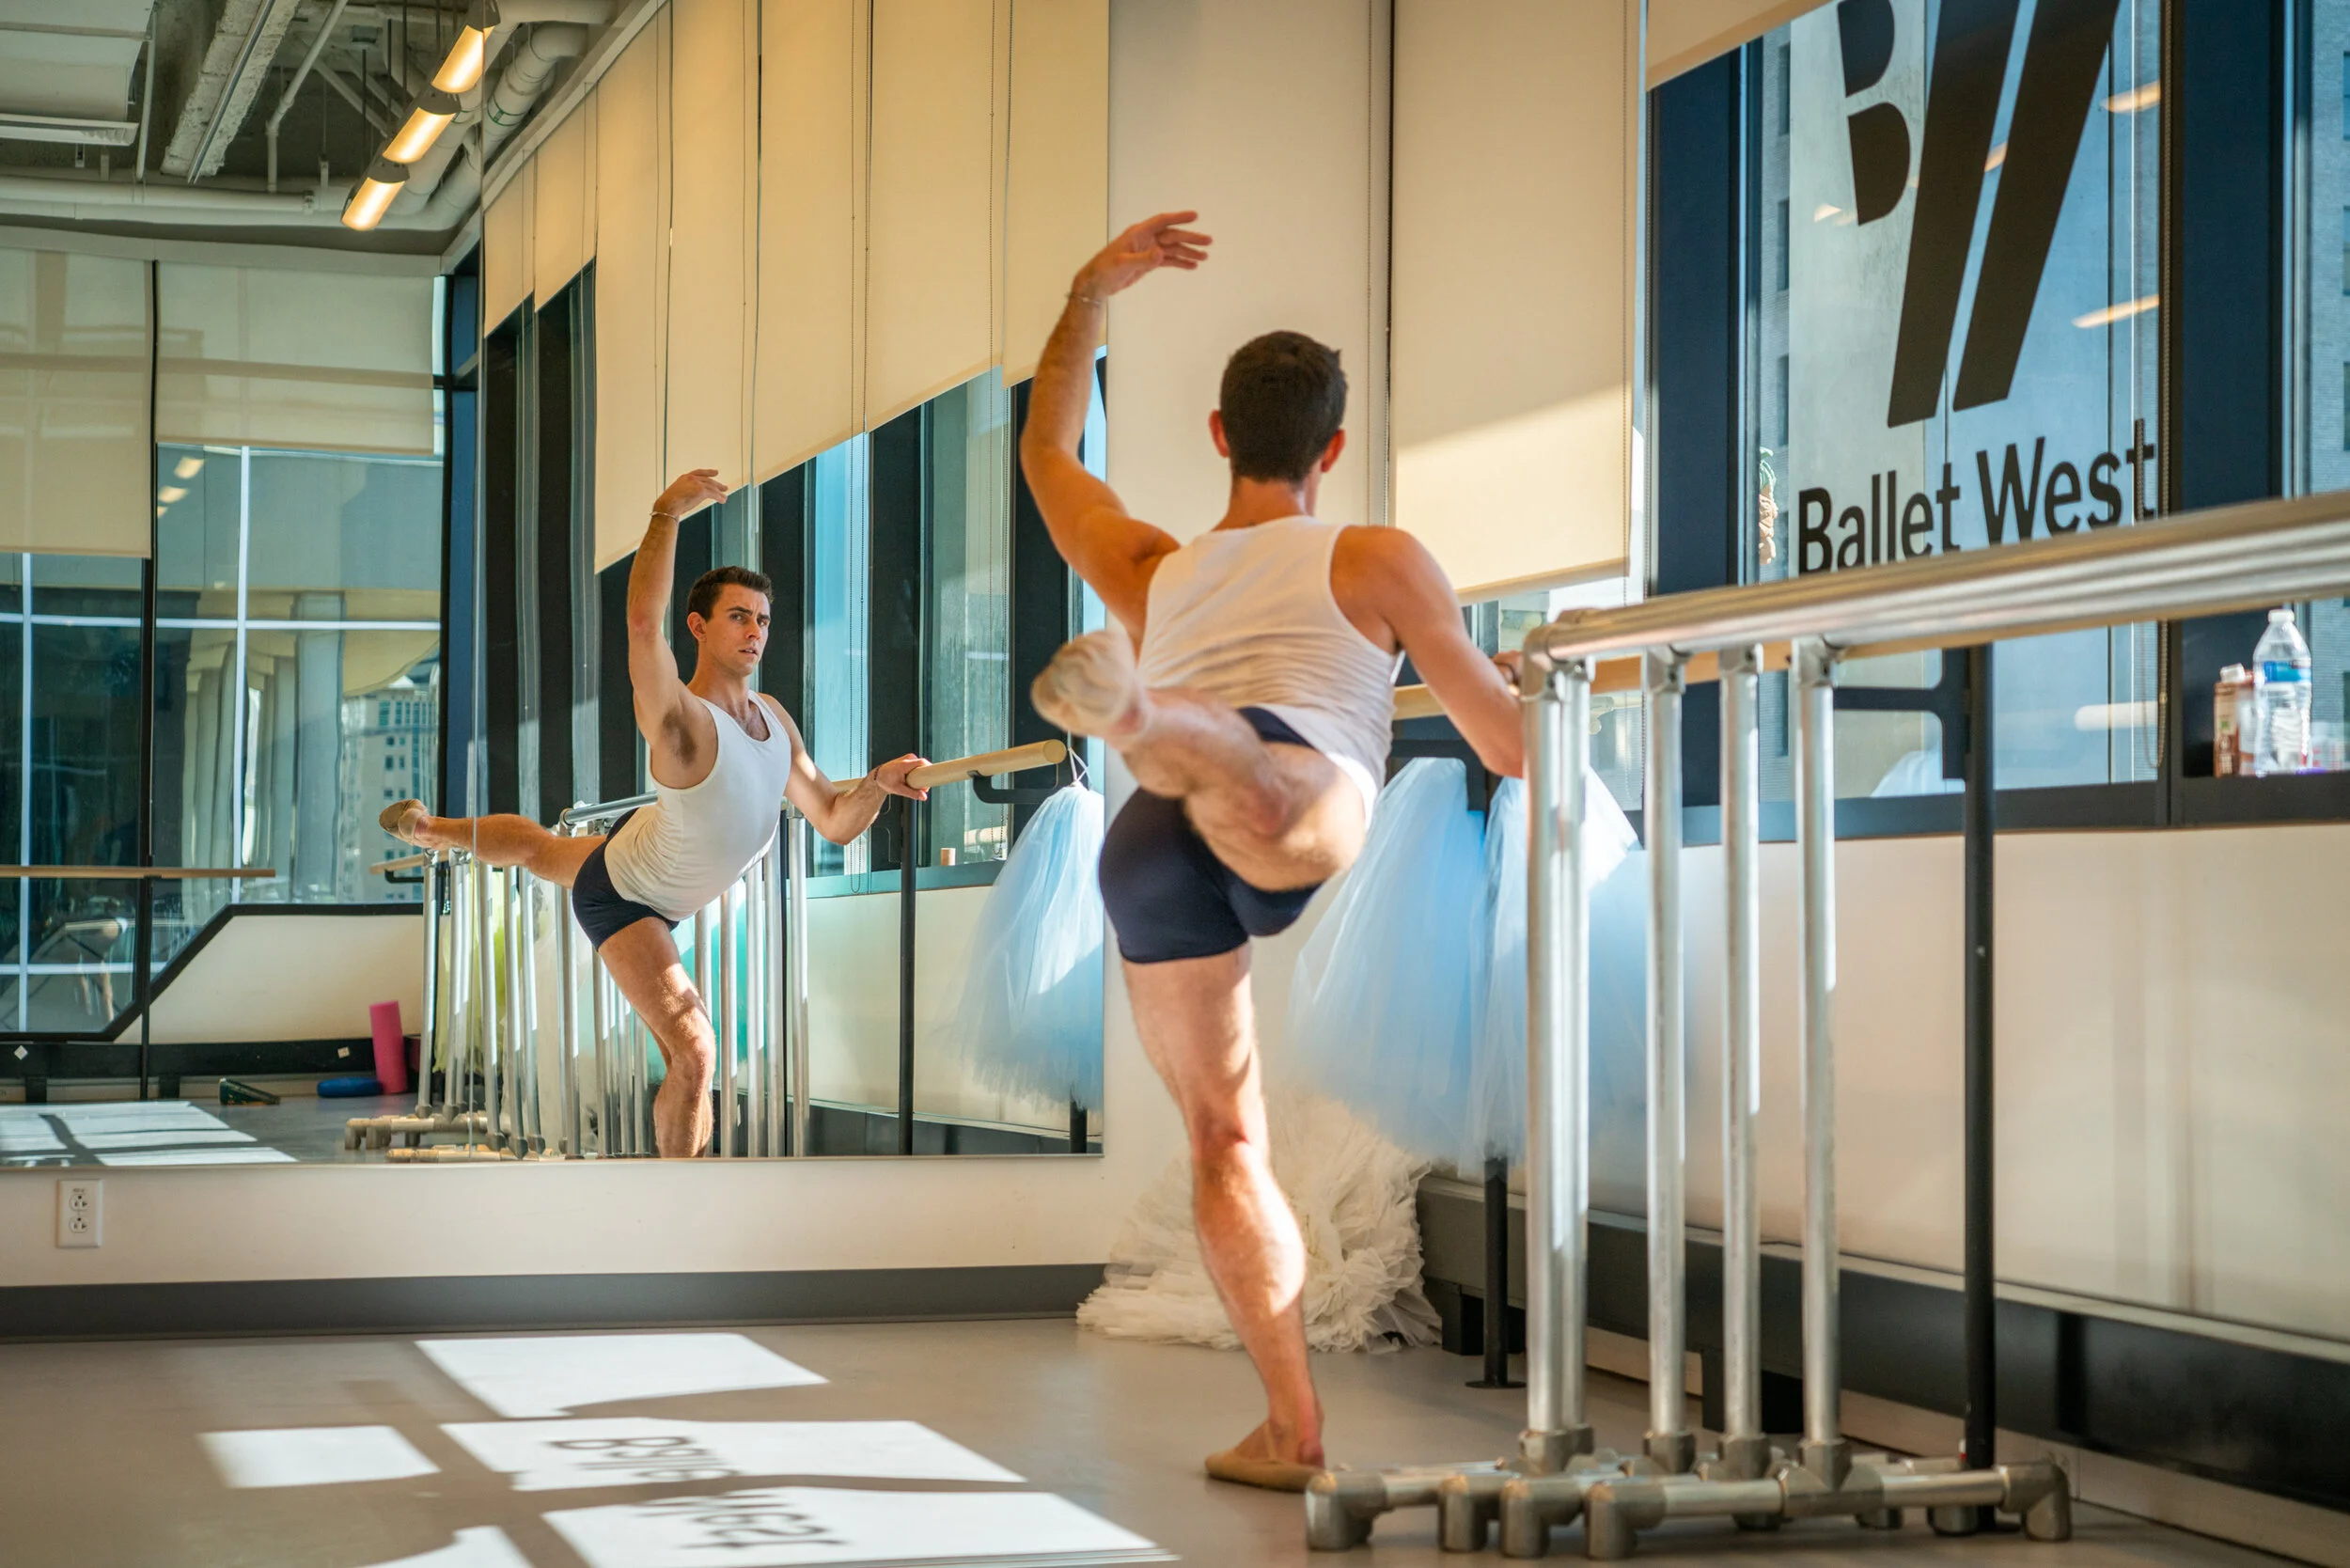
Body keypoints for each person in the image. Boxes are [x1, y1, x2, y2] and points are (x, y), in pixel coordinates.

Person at [1020, 212, 1527, 1488]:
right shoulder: (1374, 557)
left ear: (1219, 436)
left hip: (1146, 845)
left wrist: (1089, 295)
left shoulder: (1155, 566)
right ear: (1332, 449)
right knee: (1265, 776)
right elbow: (1509, 747)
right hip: (1288, 791)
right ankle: (1154, 724)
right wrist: (1544, 681)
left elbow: (1048, 452)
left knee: (1223, 1142)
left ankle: (1291, 1425)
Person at [382, 470, 928, 1157]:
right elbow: (642, 625)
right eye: (738, 616)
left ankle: (433, 830)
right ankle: (680, 1200)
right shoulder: (681, 719)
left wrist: (879, 782)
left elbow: (836, 820)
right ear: (698, 626)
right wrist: (666, 513)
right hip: (626, 896)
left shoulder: (774, 718)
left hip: (642, 850)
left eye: (762, 619)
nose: (755, 631)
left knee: (542, 850)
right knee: (696, 1051)